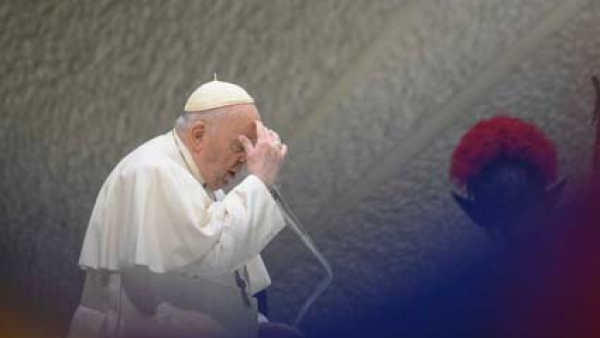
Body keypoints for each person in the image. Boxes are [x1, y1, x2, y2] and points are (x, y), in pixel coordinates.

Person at [68, 78, 302, 338]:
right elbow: (213, 256)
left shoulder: (206, 188)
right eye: (239, 146)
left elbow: (220, 288)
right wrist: (258, 182)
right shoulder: (151, 171)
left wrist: (257, 324)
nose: (245, 161)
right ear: (198, 135)